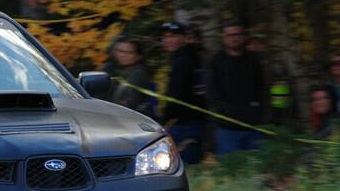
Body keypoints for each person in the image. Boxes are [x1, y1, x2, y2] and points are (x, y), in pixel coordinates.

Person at [207, 23, 267, 154]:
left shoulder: (253, 60)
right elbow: (211, 91)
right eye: (230, 35)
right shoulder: (216, 61)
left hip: (253, 127)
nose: (235, 38)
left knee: (258, 170)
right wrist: (224, 111)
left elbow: (262, 89)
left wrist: (258, 112)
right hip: (227, 129)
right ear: (224, 38)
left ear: (244, 37)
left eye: (238, 34)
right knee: (230, 170)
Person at [162, 21, 205, 164]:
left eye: (173, 36)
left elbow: (177, 94)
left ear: (184, 38)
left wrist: (165, 118)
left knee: (181, 166)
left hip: (185, 122)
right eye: (166, 37)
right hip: (192, 120)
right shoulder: (192, 57)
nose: (168, 40)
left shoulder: (183, 60)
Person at [101, 37, 154, 117]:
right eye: (120, 51)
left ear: (138, 56)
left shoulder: (138, 73)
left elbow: (128, 104)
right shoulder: (110, 68)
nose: (123, 55)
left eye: (129, 52)